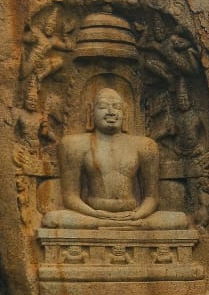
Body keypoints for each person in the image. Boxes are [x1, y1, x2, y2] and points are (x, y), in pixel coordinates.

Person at [41, 87, 190, 229]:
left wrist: (137, 215)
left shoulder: (145, 146)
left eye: (117, 107)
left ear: (125, 113)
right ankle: (121, 226)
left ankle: (122, 225)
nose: (111, 112)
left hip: (133, 215)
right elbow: (70, 197)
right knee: (51, 219)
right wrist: (97, 215)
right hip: (91, 215)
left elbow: (152, 198)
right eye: (103, 107)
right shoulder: (74, 144)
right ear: (91, 112)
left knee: (180, 219)